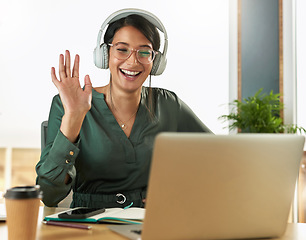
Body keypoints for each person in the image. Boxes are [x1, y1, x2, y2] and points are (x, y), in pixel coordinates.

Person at [36, 9, 211, 208]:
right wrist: (73, 118)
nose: (133, 61)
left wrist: (181, 190)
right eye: (122, 49)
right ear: (104, 54)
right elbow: (48, 195)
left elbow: (219, 159)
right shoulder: (67, 103)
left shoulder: (168, 104)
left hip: (151, 224)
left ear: (156, 62)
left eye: (144, 51)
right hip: (90, 227)